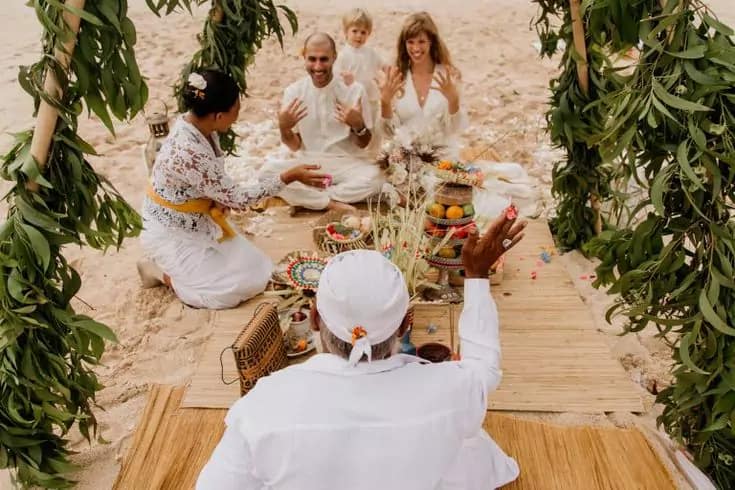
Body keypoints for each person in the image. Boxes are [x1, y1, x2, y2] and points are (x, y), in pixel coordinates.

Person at [196, 210, 526, 490]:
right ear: (405, 324)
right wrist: (477, 276)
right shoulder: (451, 390)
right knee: (472, 445)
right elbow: (485, 368)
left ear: (314, 318)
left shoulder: (264, 405)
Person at [137, 69, 327, 309]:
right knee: (227, 293)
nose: (237, 117)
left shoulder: (199, 124)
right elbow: (238, 199)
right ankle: (159, 271)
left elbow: (214, 185)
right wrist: (289, 176)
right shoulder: (189, 149)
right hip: (172, 232)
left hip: (200, 219)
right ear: (217, 116)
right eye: (235, 111)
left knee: (260, 269)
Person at [379, 12, 535, 219]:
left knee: (449, 200)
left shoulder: (447, 74)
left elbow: (456, 127)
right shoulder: (398, 75)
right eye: (410, 42)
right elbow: (389, 131)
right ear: (404, 44)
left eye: (422, 41)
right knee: (384, 189)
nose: (416, 48)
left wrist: (453, 100)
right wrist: (385, 102)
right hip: (405, 158)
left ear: (432, 42)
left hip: (442, 157)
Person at [258, 33, 384, 213]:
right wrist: (284, 128)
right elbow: (294, 145)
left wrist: (358, 126)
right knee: (266, 173)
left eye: (324, 59)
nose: (318, 66)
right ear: (304, 58)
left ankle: (312, 200)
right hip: (309, 163)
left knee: (376, 178)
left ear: (334, 57)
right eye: (312, 59)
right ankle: (330, 203)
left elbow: (364, 144)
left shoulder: (354, 91)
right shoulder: (294, 92)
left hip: (345, 162)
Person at [333, 8, 387, 154]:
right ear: (346, 31)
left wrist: (392, 73)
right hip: (353, 101)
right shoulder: (343, 55)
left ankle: (373, 155)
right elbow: (336, 76)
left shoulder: (370, 53)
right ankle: (356, 154)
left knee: (374, 127)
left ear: (369, 34)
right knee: (356, 129)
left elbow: (384, 66)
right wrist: (345, 80)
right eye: (355, 31)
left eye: (363, 32)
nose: (359, 36)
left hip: (371, 98)